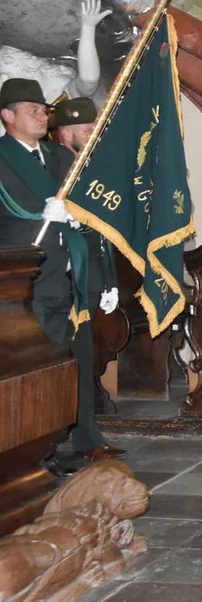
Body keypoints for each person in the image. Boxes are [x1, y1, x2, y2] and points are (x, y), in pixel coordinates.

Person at [0, 80, 125, 474]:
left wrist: (104, 278)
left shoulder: (59, 155)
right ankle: (41, 449)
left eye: (43, 108)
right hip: (27, 281)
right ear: (8, 116)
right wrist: (41, 215)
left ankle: (86, 437)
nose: (42, 114)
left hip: (72, 275)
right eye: (32, 109)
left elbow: (88, 217)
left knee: (79, 361)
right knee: (43, 369)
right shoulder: (1, 157)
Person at [51, 98, 119, 329]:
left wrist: (108, 279)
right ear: (66, 135)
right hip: (72, 272)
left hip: (92, 269)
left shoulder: (87, 166)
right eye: (88, 130)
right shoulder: (60, 164)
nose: (95, 135)